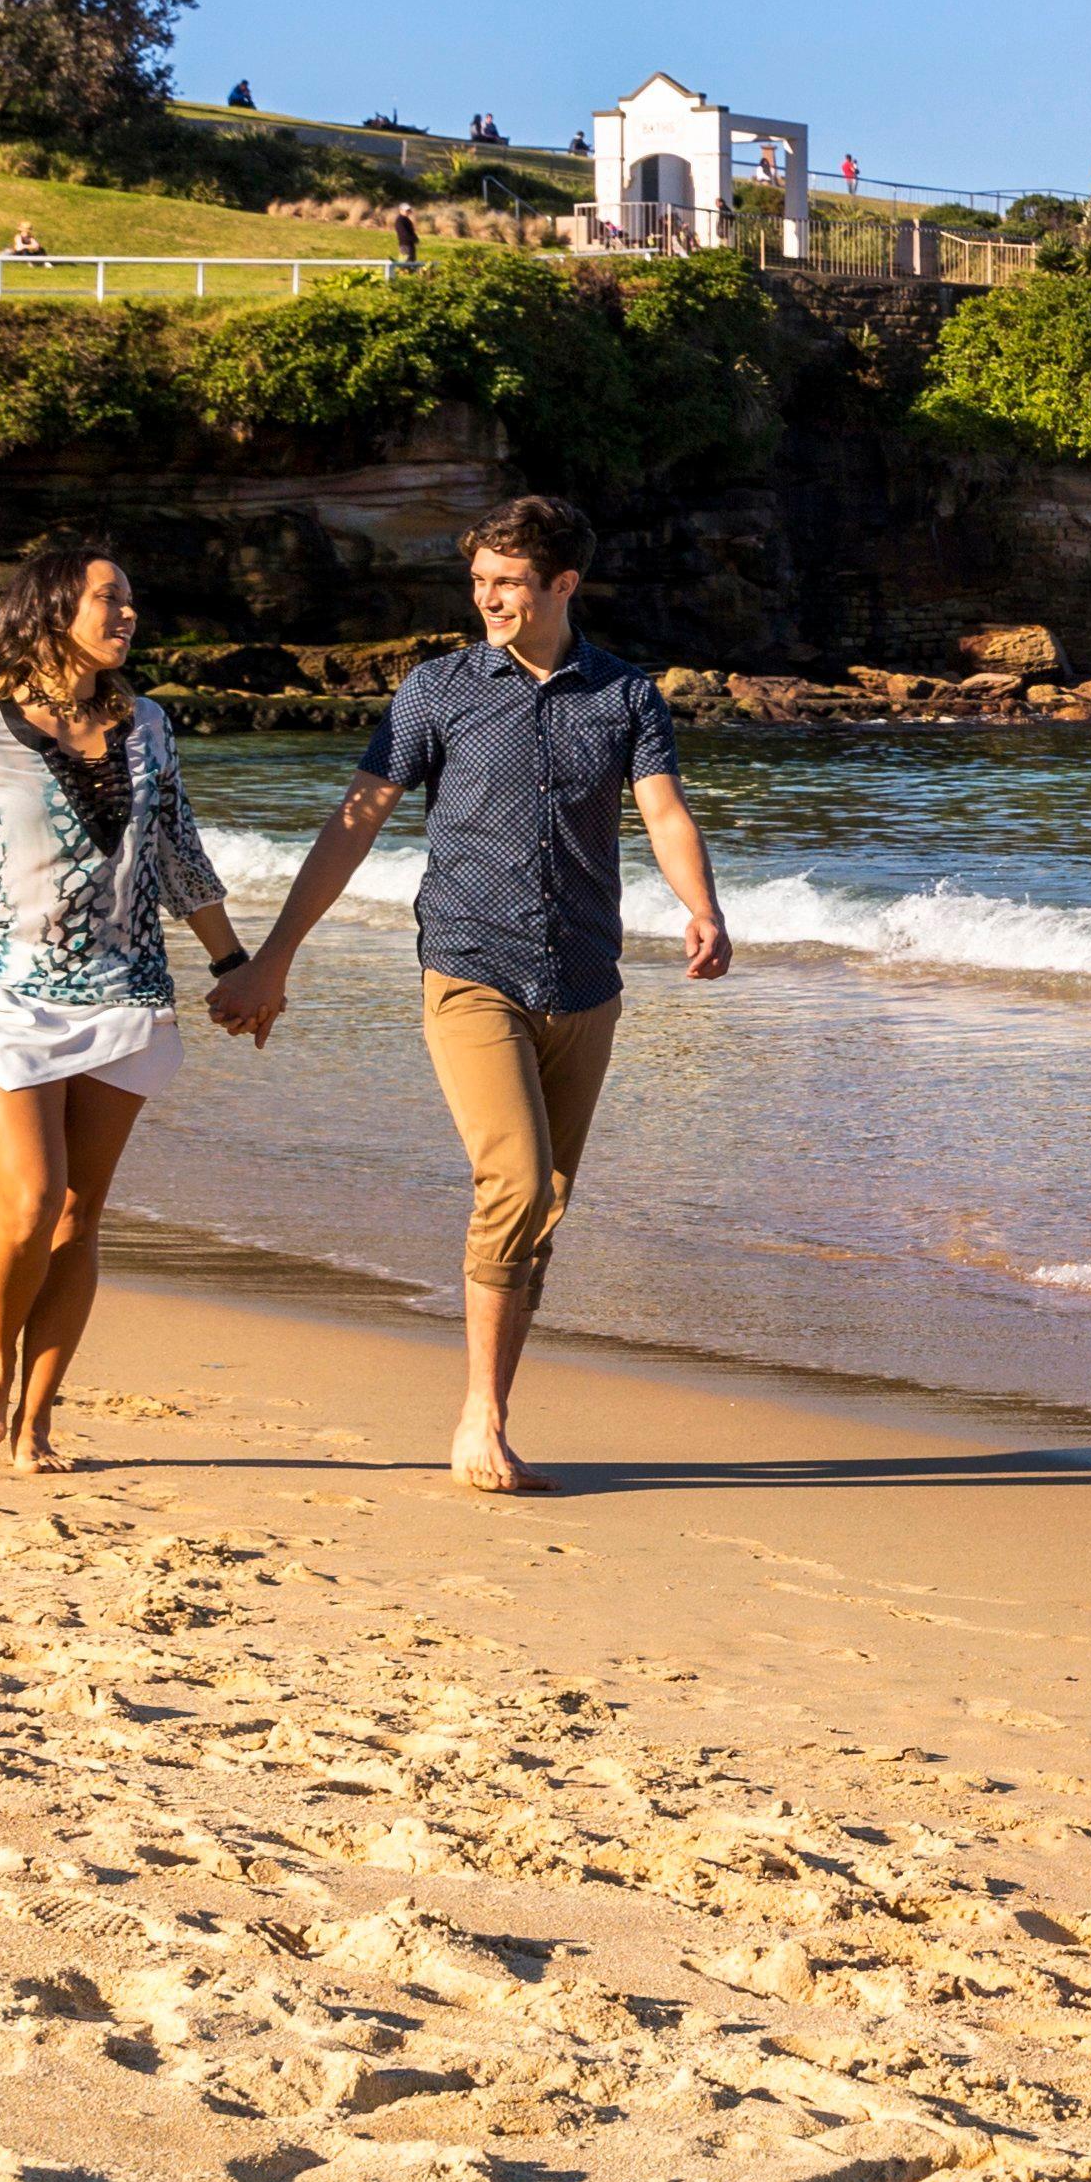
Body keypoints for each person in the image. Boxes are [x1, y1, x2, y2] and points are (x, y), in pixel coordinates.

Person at [214, 497, 729, 1493]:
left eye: (506, 583)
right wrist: (275, 955)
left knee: (544, 1209)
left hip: (584, 978)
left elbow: (663, 812)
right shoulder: (436, 691)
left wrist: (699, 906)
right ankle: (478, 1423)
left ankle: (497, 1416)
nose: (487, 599)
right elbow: (355, 822)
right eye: (480, 582)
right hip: (468, 968)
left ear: (562, 586)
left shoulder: (625, 697)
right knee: (519, 1186)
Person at [0, 541, 256, 1475]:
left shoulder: (151, 726)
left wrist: (234, 963)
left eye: (130, 600)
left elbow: (177, 858)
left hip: (128, 998)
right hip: (9, 997)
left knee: (82, 1216)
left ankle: (39, 1421)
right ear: (51, 612)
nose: (127, 615)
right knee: (31, 1201)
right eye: (107, 600)